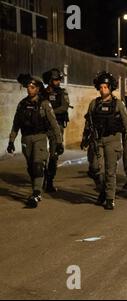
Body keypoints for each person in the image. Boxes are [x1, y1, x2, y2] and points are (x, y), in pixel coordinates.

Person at [81, 72, 127, 210]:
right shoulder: (94, 104)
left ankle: (109, 198)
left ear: (110, 88)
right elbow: (88, 123)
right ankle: (103, 191)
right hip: (98, 140)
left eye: (105, 87)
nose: (103, 89)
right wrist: (85, 138)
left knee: (110, 171)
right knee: (95, 168)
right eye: (101, 87)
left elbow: (126, 122)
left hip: (113, 140)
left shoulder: (118, 104)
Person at [7, 74, 63, 208]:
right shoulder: (22, 104)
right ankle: (35, 189)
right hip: (26, 138)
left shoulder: (44, 104)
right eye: (28, 87)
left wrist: (59, 142)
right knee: (31, 167)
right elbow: (16, 124)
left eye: (32, 87)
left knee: (38, 166)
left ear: (38, 89)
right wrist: (11, 141)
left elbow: (54, 124)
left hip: (40, 138)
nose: (29, 89)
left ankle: (36, 193)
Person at [42, 68, 71, 192]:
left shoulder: (62, 92)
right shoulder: (43, 92)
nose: (58, 81)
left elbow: (64, 107)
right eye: (56, 79)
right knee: (40, 155)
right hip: (43, 125)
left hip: (57, 125)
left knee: (54, 155)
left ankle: (49, 181)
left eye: (59, 79)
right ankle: (40, 178)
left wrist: (50, 113)